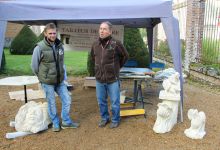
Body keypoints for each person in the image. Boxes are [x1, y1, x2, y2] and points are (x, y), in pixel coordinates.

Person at [31, 23, 79, 132]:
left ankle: (66, 122)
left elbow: (62, 63)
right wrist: (41, 78)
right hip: (47, 82)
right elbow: (34, 66)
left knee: (67, 100)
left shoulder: (60, 45)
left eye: (54, 33)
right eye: (50, 33)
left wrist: (64, 76)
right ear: (45, 33)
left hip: (60, 81)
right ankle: (55, 123)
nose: (52, 35)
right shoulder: (39, 47)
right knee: (51, 103)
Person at [91, 21, 129, 128]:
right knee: (101, 101)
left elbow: (125, 56)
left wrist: (116, 68)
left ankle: (115, 119)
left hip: (113, 79)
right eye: (100, 28)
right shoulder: (95, 44)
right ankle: (104, 118)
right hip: (99, 79)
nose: (102, 31)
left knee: (115, 102)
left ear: (110, 31)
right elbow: (93, 58)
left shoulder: (116, 44)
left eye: (104, 29)